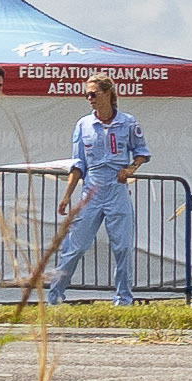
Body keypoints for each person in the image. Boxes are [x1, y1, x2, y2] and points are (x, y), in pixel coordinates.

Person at [59, 89, 150, 302]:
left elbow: (141, 151)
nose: (89, 98)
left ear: (108, 94)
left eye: (93, 93)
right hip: (92, 188)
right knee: (76, 245)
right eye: (86, 95)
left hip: (117, 189)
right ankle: (55, 293)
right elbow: (77, 163)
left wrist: (130, 169)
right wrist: (66, 196)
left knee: (123, 246)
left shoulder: (128, 122)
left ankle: (123, 298)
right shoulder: (83, 125)